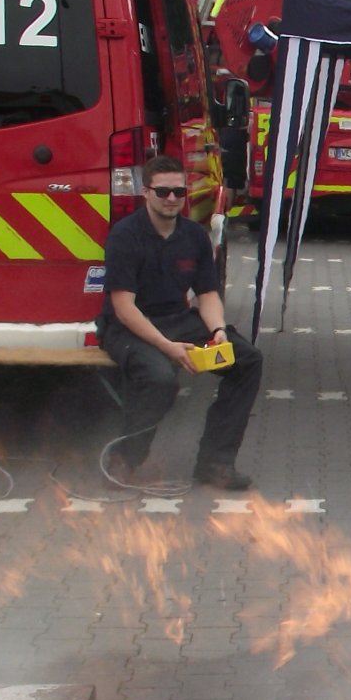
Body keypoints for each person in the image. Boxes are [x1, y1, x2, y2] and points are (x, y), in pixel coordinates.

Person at [98, 155, 265, 489]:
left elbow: (206, 294)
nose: (172, 199)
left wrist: (218, 330)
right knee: (161, 380)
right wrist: (168, 348)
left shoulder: (194, 236)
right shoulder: (125, 235)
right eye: (163, 192)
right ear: (146, 192)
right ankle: (125, 458)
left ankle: (215, 463)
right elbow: (123, 307)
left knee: (247, 360)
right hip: (131, 327)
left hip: (178, 319)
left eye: (178, 191)